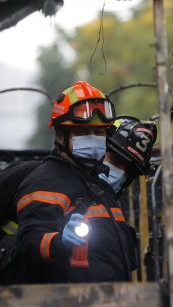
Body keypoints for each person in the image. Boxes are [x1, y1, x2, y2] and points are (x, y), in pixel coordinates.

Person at [0, 115, 157, 286]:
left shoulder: (112, 213)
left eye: (129, 171)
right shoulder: (33, 176)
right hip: (7, 300)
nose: (119, 172)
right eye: (116, 159)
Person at [10, 81, 145, 284]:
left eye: (99, 133)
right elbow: (28, 242)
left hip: (110, 305)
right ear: (61, 136)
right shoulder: (45, 182)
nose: (93, 139)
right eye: (82, 133)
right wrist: (57, 242)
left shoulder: (100, 188)